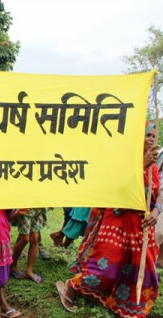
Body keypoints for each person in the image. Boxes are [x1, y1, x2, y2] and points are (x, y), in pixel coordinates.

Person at [56, 122, 162, 317]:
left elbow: (158, 192)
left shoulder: (154, 167)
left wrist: (156, 211)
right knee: (106, 270)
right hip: (117, 221)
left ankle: (126, 304)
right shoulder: (123, 160)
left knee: (142, 271)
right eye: (147, 135)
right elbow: (116, 190)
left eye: (153, 135)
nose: (151, 139)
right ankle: (72, 286)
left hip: (141, 226)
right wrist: (141, 164)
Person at [9, 208, 47, 283]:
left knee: (35, 239)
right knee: (25, 239)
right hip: (25, 209)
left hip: (38, 208)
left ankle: (29, 271)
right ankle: (12, 265)